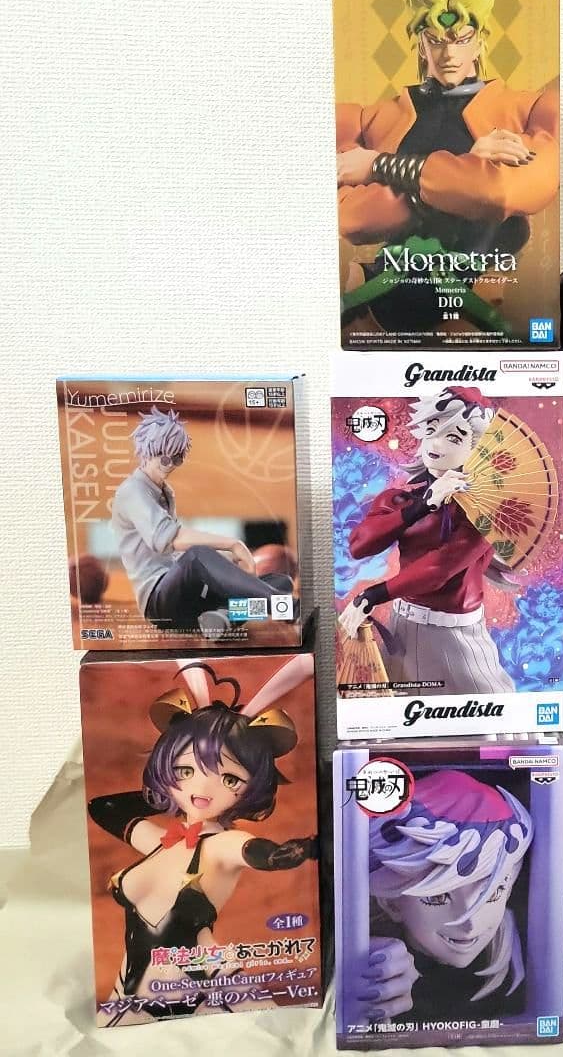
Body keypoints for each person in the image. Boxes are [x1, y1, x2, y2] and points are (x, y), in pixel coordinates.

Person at [88, 662, 318, 1025]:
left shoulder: (221, 845)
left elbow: (264, 854)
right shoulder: (159, 842)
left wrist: (306, 848)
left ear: (253, 787)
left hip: (208, 985)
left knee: (280, 1036)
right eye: (186, 770)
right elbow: (103, 808)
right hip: (129, 993)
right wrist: (164, 794)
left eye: (229, 779)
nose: (202, 788)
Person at [336, 0, 559, 336]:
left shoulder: (530, 110)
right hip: (370, 308)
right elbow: (352, 218)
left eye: (462, 39)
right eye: (436, 40)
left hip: (470, 313)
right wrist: (468, 168)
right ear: (420, 42)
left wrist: (380, 166)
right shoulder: (368, 119)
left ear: (480, 40)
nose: (449, 54)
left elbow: (501, 192)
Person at [337, 386, 514, 695]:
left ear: (476, 450)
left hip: (458, 638)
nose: (436, 444)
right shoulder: (401, 498)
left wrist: (373, 594)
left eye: (454, 437)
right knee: (400, 713)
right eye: (431, 430)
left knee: (496, 709)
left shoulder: (486, 509)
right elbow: (359, 545)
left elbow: (439, 568)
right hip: (403, 629)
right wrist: (423, 505)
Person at [358, 769, 533, 1021]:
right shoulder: (370, 955)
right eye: (438, 897)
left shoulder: (528, 945)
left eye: (494, 892)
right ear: (390, 903)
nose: (470, 922)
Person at [110, 406, 295, 636]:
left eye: (177, 459)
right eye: (165, 458)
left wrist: (226, 563)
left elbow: (174, 557)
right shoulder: (133, 490)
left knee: (280, 581)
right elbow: (169, 540)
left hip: (188, 599)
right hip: (159, 602)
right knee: (197, 555)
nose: (170, 466)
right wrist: (233, 545)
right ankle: (284, 606)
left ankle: (224, 617)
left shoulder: (165, 492)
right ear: (146, 453)